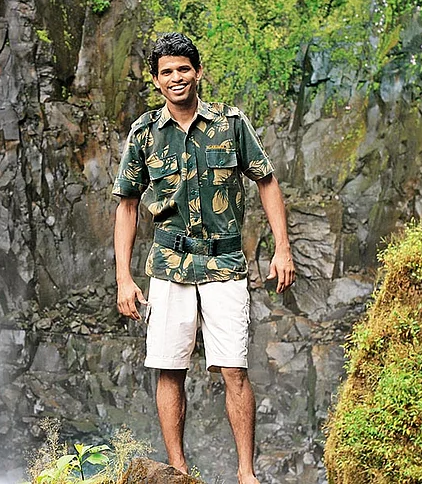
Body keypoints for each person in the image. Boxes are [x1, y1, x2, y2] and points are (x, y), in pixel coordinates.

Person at [112, 32, 295, 484]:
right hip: (170, 266)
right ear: (156, 80)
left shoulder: (230, 123)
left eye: (183, 69)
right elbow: (127, 205)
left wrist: (282, 248)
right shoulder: (144, 133)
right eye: (166, 72)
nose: (176, 78)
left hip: (224, 265)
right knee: (169, 367)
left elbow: (266, 180)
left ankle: (246, 474)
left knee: (234, 367)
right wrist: (123, 277)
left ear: (198, 71)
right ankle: (177, 470)